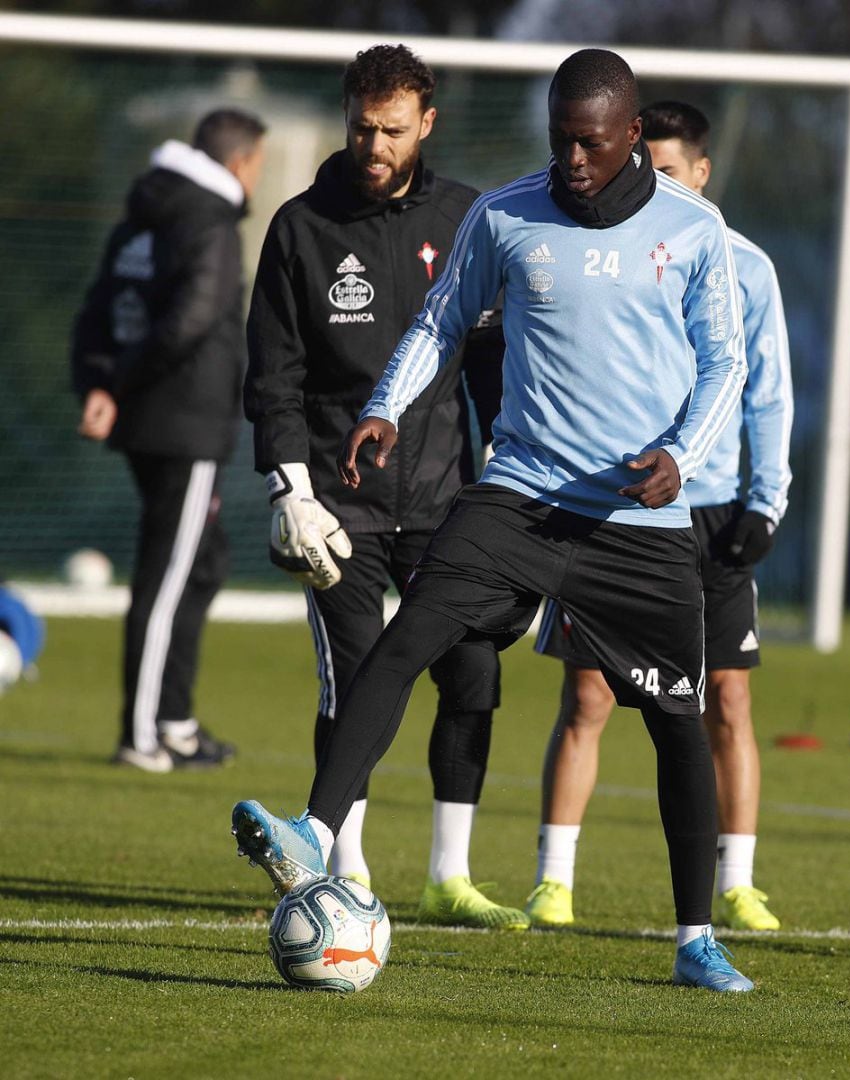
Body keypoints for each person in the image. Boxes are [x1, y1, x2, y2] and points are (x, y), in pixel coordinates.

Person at [232, 47, 755, 992]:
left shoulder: (695, 231)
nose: (573, 161)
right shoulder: (506, 214)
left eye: (591, 143)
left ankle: (694, 940)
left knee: (679, 723)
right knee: (404, 642)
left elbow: (727, 366)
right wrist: (387, 404)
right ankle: (315, 831)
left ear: (633, 135)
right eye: (560, 140)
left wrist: (683, 455)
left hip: (638, 520)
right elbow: (439, 321)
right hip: (516, 494)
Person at [242, 45, 516, 929]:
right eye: (363, 127)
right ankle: (344, 870)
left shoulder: (470, 217)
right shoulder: (299, 227)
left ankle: (451, 872)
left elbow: (491, 363)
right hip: (337, 503)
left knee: (472, 672)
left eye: (393, 130)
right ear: (347, 115)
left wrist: (511, 468)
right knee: (358, 678)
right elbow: (273, 375)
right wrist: (291, 489)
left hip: (447, 498)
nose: (375, 144)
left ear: (425, 124)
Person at [524, 101, 793, 933]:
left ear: (701, 176)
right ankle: (553, 879)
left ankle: (738, 881)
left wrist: (766, 500)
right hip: (616, 508)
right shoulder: (599, 252)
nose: (655, 188)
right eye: (649, 171)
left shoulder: (744, 267)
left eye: (671, 174)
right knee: (589, 696)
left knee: (727, 703)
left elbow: (768, 393)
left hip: (709, 517)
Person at [71, 108, 267, 772]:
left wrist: (99, 385)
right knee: (166, 577)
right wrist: (118, 384)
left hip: (146, 419)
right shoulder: (209, 221)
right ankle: (142, 734)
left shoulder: (141, 216)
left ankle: (175, 721)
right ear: (239, 162)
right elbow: (190, 321)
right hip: (185, 425)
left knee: (204, 562)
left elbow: (98, 309)